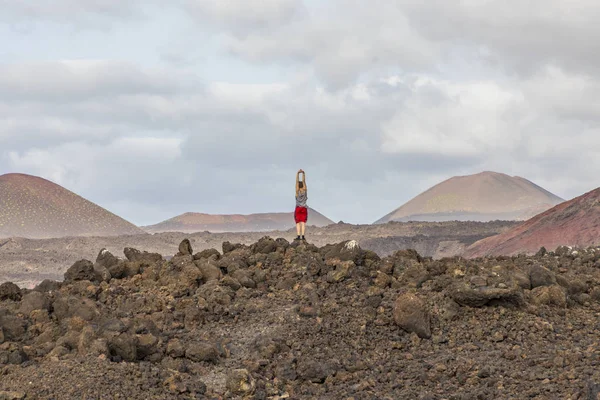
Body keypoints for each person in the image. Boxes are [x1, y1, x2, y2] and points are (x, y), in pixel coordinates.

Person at [295, 169, 308, 241]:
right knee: (303, 223)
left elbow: (297, 182)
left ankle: (298, 236)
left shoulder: (297, 192)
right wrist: (303, 174)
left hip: (298, 208)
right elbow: (304, 182)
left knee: (297, 223)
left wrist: (297, 174)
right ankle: (302, 236)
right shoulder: (305, 191)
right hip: (304, 208)